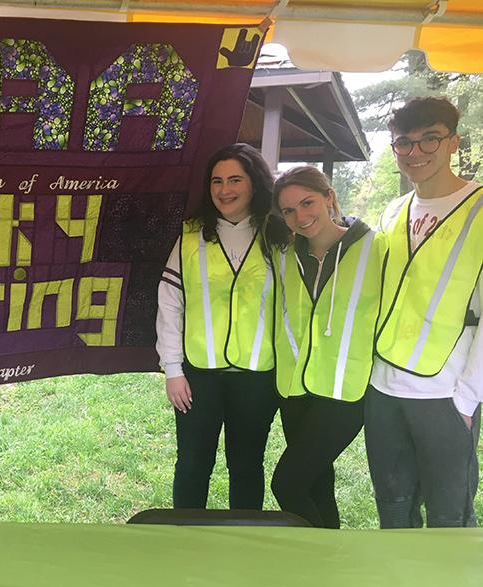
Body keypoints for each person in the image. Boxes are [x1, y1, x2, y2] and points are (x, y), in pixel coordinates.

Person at [367, 96, 482, 528]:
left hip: (444, 391)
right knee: (392, 506)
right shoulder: (394, 211)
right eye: (403, 143)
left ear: (453, 142)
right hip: (383, 387)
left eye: (429, 140)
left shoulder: (478, 210)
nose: (415, 153)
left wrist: (468, 398)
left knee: (449, 515)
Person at [156, 143, 288, 509]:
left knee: (247, 465)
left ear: (254, 184)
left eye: (234, 180)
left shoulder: (277, 236)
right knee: (193, 464)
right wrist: (172, 370)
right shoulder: (189, 237)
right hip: (199, 375)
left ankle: (242, 546)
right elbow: (170, 305)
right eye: (216, 181)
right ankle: (186, 542)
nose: (224, 190)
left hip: (258, 376)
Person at [269, 166, 387, 528]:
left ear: (329, 198)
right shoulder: (285, 255)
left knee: (286, 483)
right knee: (318, 483)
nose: (300, 217)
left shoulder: (375, 248)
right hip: (294, 389)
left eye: (308, 203)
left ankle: (318, 555)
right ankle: (322, 568)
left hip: (343, 390)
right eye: (289, 210)